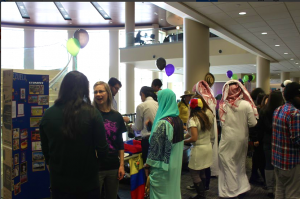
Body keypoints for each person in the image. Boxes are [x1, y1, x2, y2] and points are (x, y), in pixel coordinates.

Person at [39, 71, 108, 199]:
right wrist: (92, 167)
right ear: (84, 89)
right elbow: (103, 150)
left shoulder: (48, 115)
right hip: (88, 184)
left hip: (59, 184)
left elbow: (46, 151)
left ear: (63, 87)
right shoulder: (93, 113)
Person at [218, 80, 258, 198]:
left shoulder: (223, 105)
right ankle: (242, 187)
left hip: (227, 139)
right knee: (240, 163)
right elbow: (253, 123)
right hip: (242, 138)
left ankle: (231, 190)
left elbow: (222, 124)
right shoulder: (246, 105)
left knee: (227, 163)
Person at [144, 89, 184, 199]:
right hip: (175, 165)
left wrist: (147, 165)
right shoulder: (177, 120)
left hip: (163, 168)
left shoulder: (163, 123)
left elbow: (155, 152)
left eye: (159, 100)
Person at [93, 81, 127, 199]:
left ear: (108, 93)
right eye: (95, 92)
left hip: (113, 165)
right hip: (95, 167)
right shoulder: (90, 114)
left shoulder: (116, 116)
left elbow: (119, 143)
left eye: (101, 91)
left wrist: (122, 165)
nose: (98, 94)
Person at [272, 82, 300, 199]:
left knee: (279, 190)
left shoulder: (278, 110)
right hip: (291, 162)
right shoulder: (295, 113)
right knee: (293, 193)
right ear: (295, 96)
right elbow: (297, 140)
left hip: (278, 160)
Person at [184, 95, 214, 199]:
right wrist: (185, 136)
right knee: (202, 171)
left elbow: (194, 137)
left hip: (198, 149)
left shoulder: (193, 119)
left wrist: (184, 141)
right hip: (207, 147)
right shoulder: (205, 116)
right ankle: (203, 193)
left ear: (191, 107)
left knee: (194, 173)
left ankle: (201, 196)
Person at [191, 80, 219, 191]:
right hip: (209, 138)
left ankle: (203, 188)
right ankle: (204, 187)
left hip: (202, 141)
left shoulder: (202, 107)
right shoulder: (211, 100)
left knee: (201, 167)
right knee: (205, 165)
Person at [256, 91, 284, 198]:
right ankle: (278, 187)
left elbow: (260, 127)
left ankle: (270, 188)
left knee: (268, 164)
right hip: (279, 140)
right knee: (279, 165)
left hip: (267, 140)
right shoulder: (281, 112)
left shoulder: (263, 111)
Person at [130, 86, 158, 163]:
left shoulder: (141, 106)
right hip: (159, 138)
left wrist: (131, 126)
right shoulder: (158, 104)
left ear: (142, 94)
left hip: (148, 140)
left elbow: (138, 127)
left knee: (147, 166)